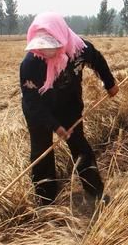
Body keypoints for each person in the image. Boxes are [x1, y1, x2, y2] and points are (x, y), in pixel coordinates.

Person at [19, 12, 119, 207]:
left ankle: (96, 194)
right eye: (42, 46)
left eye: (52, 46)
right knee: (42, 152)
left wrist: (109, 83)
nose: (47, 52)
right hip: (39, 111)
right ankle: (45, 201)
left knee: (79, 146)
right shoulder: (30, 64)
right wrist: (55, 126)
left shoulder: (79, 49)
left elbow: (97, 60)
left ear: (62, 37)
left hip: (69, 104)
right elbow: (32, 103)